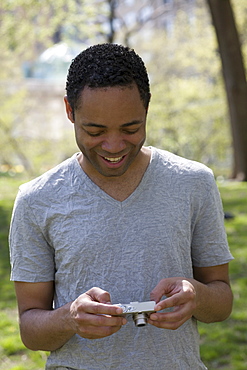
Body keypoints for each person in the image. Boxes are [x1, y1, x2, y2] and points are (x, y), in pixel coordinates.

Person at [9, 43, 234, 370]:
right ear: (70, 111)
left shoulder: (193, 182)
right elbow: (31, 330)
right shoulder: (36, 200)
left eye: (131, 128)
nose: (114, 147)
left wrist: (196, 295)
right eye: (94, 131)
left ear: (146, 108)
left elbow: (222, 301)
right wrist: (70, 318)